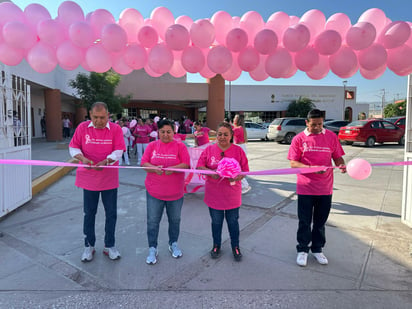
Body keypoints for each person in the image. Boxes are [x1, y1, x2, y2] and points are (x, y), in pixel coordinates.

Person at [287, 109, 346, 267]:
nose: (317, 127)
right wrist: (311, 167)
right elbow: (293, 163)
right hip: (306, 188)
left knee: (320, 222)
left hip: (325, 188)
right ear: (307, 122)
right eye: (313, 125)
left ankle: (317, 249)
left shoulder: (331, 137)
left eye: (320, 124)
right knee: (304, 221)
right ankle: (302, 250)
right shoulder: (299, 139)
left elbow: (337, 157)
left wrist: (342, 165)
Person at [69, 102, 126, 262]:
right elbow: (73, 148)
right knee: (89, 213)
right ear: (90, 114)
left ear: (108, 115)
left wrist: (107, 161)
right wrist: (83, 158)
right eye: (95, 117)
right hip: (88, 179)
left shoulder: (115, 129)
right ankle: (89, 246)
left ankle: (110, 246)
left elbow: (119, 150)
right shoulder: (82, 128)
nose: (99, 121)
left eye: (102, 117)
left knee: (111, 213)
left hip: (109, 178)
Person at [197, 122, 249, 262]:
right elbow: (199, 166)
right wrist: (210, 172)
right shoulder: (209, 150)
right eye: (219, 134)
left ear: (231, 135)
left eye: (226, 134)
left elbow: (245, 170)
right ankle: (216, 245)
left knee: (233, 221)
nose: (222, 137)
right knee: (216, 222)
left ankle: (235, 246)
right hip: (214, 194)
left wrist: (239, 176)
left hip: (232, 194)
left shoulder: (238, 151)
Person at [141, 119, 190, 265]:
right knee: (152, 221)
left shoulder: (180, 146)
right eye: (162, 132)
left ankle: (173, 243)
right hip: (154, 192)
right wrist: (153, 168)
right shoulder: (152, 146)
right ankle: (152, 248)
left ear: (174, 132)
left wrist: (174, 169)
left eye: (169, 132)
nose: (166, 134)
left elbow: (186, 164)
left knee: (174, 220)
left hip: (175, 193)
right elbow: (144, 163)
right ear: (158, 132)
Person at [233, 114, 252, 194]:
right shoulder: (240, 128)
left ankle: (245, 186)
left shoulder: (238, 129)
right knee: (237, 167)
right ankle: (242, 185)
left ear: (238, 120)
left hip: (240, 148)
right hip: (240, 147)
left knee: (237, 168)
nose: (234, 119)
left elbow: (229, 132)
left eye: (235, 118)